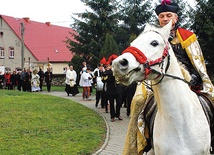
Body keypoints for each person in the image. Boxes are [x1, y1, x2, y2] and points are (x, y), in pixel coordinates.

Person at [155, 0, 214, 99]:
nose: (165, 19)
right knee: (139, 99)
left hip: (186, 77)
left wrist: (194, 77)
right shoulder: (153, 38)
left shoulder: (187, 37)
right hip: (158, 77)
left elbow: (197, 63)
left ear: (176, 18)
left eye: (169, 16)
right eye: (162, 16)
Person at [102, 54, 123, 122]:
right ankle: (112, 116)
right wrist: (109, 73)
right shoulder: (107, 72)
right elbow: (104, 80)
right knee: (111, 103)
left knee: (119, 102)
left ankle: (118, 114)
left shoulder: (119, 71)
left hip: (118, 89)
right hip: (111, 90)